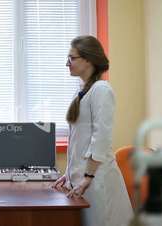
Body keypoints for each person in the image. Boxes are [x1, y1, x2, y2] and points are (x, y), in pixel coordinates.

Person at [52, 35, 133, 226]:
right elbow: (78, 140)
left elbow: (101, 138)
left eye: (72, 58)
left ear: (88, 60)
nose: (67, 63)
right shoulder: (82, 92)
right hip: (82, 179)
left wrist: (88, 177)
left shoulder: (101, 90)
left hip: (97, 179)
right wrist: (68, 174)